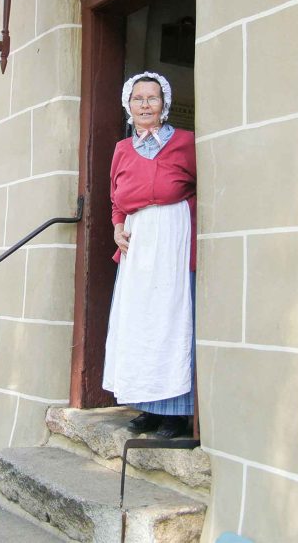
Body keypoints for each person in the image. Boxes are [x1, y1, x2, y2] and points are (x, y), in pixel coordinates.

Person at [102, 71, 196, 440]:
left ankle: (177, 412)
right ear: (128, 106)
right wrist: (116, 226)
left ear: (164, 104)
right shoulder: (122, 149)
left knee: (172, 320)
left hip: (173, 237)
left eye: (152, 98)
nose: (144, 104)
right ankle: (147, 406)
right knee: (139, 322)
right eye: (137, 98)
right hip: (138, 244)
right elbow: (115, 198)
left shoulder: (186, 142)